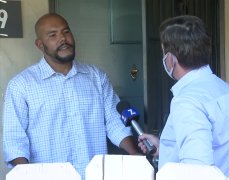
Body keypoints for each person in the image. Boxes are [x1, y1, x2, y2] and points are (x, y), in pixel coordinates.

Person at [2, 13, 138, 179]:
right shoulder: (21, 85)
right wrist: (26, 175)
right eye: (53, 35)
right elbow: (15, 141)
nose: (63, 39)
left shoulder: (96, 77)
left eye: (66, 32)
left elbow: (114, 122)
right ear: (40, 44)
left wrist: (135, 155)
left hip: (93, 175)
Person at [138, 15, 229, 177]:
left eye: (163, 52)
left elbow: (196, 169)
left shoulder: (187, 101)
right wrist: (165, 147)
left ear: (170, 59)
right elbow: (217, 148)